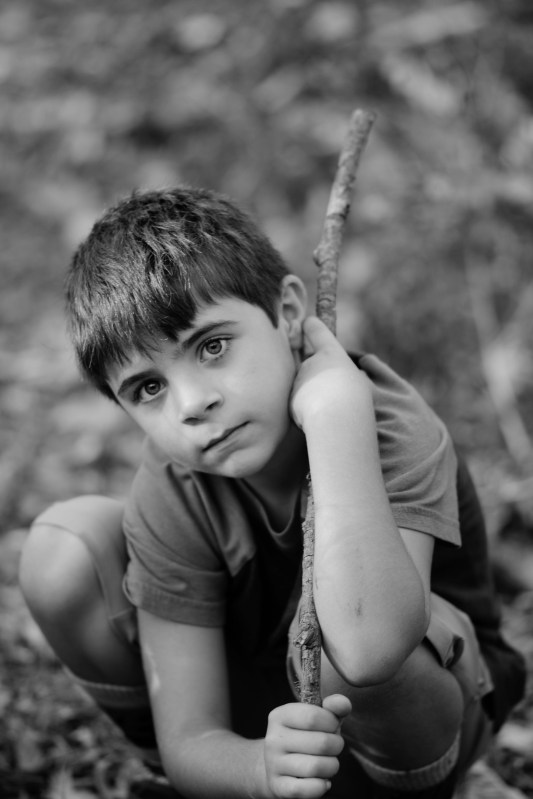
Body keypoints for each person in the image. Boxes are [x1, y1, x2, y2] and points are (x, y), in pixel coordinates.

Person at [19, 186, 525, 799]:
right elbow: (191, 739)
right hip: (275, 738)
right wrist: (254, 769)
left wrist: (335, 423)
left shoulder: (387, 425)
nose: (192, 404)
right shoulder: (175, 484)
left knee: (341, 650)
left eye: (212, 346)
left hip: (427, 716)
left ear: (287, 313)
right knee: (62, 552)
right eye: (149, 388)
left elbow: (368, 652)